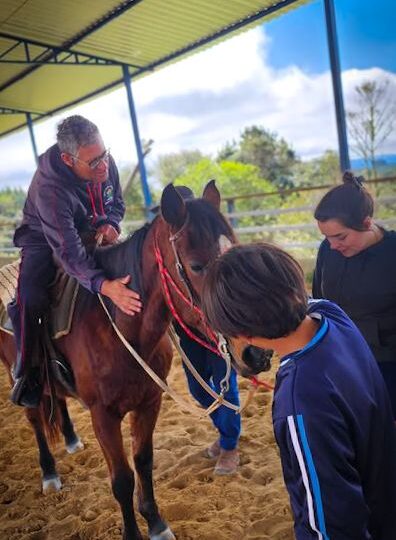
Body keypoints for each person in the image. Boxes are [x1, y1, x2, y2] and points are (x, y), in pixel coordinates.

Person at [202, 242, 396, 539]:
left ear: (241, 335)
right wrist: (253, 269)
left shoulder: (298, 401)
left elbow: (329, 521)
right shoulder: (333, 314)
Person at [8, 115, 142, 408]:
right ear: (69, 160)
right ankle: (27, 368)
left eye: (104, 155)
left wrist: (111, 223)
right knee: (30, 295)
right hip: (44, 238)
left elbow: (116, 203)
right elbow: (68, 252)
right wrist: (105, 286)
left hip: (91, 229)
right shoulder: (50, 189)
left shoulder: (103, 161)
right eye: (93, 162)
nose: (103, 166)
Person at [312, 171, 396, 419]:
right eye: (326, 237)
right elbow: (318, 300)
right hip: (339, 358)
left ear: (367, 222)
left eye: (340, 236)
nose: (333, 245)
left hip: (387, 363)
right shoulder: (328, 250)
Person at [174, 322, 241, 475]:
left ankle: (229, 447)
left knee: (226, 390)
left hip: (220, 335)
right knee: (198, 390)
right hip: (189, 335)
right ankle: (227, 432)